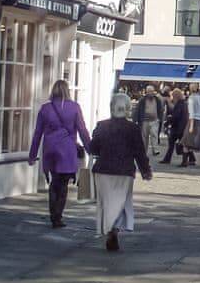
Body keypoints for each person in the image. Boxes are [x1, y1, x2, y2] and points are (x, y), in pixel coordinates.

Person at [89, 92, 153, 252]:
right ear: (127, 109)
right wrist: (145, 170)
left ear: (112, 107)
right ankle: (115, 228)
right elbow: (139, 152)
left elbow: (93, 148)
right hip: (124, 170)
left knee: (106, 202)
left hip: (103, 170)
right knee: (121, 202)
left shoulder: (101, 125)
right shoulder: (133, 128)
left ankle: (109, 227)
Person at [27, 80, 91, 228]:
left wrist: (32, 155)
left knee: (54, 182)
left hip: (50, 149)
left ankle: (53, 214)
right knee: (63, 184)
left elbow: (37, 133)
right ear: (67, 90)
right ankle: (58, 216)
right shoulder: (74, 107)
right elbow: (82, 130)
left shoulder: (45, 108)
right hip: (67, 150)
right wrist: (90, 149)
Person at [159, 89, 188, 165]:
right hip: (182, 126)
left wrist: (168, 121)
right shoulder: (184, 103)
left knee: (172, 143)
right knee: (183, 144)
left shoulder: (179, 104)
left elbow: (176, 116)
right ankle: (189, 159)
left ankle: (168, 159)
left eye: (172, 96)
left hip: (177, 127)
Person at [134, 85, 162, 158]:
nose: (151, 93)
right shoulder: (142, 100)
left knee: (154, 134)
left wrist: (160, 118)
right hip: (144, 121)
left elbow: (160, 109)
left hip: (154, 120)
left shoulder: (157, 100)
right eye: (149, 91)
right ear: (146, 92)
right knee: (144, 137)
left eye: (152, 91)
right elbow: (137, 110)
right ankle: (144, 151)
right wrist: (136, 120)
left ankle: (155, 150)